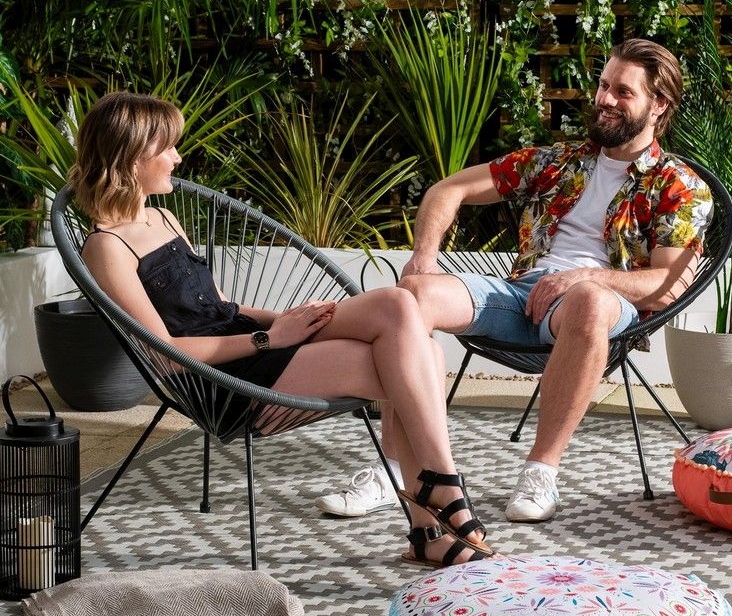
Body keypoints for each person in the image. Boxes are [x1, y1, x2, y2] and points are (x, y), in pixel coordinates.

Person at [69, 90, 495, 568]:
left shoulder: (163, 216)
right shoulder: (106, 246)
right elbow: (165, 354)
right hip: (223, 380)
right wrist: (269, 339)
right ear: (131, 158)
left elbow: (220, 306)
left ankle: (435, 504)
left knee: (398, 306)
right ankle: (438, 503)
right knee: (423, 358)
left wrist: (287, 321)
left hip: (258, 344)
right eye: (167, 147)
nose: (178, 157)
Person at [317, 38, 713, 523]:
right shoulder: (557, 162)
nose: (605, 98)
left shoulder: (678, 185)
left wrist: (583, 276)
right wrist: (423, 258)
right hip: (521, 296)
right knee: (413, 296)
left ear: (659, 105)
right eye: (603, 85)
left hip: (600, 303)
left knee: (589, 300)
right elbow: (448, 190)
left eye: (623, 92)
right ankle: (397, 471)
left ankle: (540, 473)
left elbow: (668, 284)